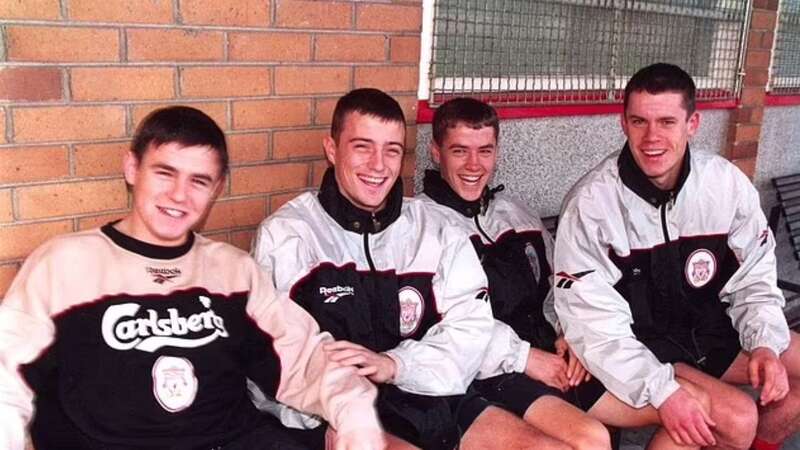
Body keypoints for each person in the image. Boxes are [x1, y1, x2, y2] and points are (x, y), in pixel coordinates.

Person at [0, 106, 383, 450]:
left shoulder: (234, 273)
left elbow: (305, 360)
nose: (180, 195)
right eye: (165, 173)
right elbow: (6, 382)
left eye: (199, 181)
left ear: (216, 188)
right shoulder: (64, 264)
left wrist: (355, 416)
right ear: (132, 168)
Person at [252, 88, 569, 450]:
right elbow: (269, 357)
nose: (378, 165)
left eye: (392, 150)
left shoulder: (433, 227)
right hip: (336, 413)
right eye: (362, 146)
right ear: (331, 148)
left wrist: (395, 365)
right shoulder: (288, 235)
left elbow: (471, 326)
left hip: (425, 393)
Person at [555, 62, 800, 450]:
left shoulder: (724, 184)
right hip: (640, 346)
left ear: (693, 123)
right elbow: (595, 325)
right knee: (735, 416)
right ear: (623, 124)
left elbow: (754, 277)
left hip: (708, 333)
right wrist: (662, 391)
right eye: (639, 122)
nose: (652, 137)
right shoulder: (591, 204)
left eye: (667, 121)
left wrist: (766, 343)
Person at [418, 97, 610, 450]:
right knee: (591, 439)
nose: (474, 165)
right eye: (460, 151)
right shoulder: (421, 226)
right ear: (435, 151)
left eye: (485, 151)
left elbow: (561, 287)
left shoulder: (517, 214)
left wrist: (571, 334)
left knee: (672, 411)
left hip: (551, 355)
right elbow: (441, 322)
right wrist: (524, 357)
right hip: (488, 371)